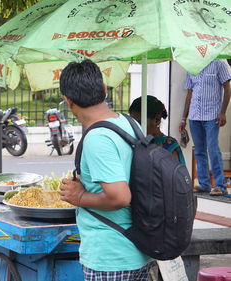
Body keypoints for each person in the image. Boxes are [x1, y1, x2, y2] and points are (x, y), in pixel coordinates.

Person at [58, 60, 153, 281]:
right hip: (138, 246)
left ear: (68, 101)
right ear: (104, 89)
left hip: (111, 256)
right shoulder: (129, 124)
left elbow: (119, 197)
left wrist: (79, 196)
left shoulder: (98, 139)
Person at [179, 60, 231, 196]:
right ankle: (204, 184)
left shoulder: (219, 64)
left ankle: (220, 185)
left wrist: (223, 112)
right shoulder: (191, 66)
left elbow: (227, 88)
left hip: (212, 115)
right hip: (194, 115)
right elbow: (189, 94)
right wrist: (184, 118)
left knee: (213, 148)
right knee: (199, 151)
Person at [129, 95, 186, 165]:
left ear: (157, 120)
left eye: (140, 123)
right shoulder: (134, 143)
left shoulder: (169, 148)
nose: (135, 127)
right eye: (132, 122)